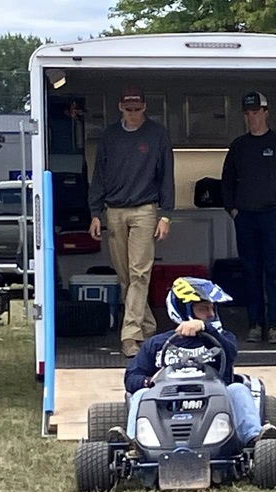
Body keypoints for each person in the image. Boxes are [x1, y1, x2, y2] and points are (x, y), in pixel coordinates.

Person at [118, 277, 276, 447]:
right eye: (203, 309)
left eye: (212, 308)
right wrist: (149, 381)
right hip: (167, 402)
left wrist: (205, 328)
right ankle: (134, 445)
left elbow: (230, 354)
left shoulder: (223, 338)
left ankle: (254, 440)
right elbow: (131, 378)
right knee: (141, 394)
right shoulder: (156, 344)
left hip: (214, 401)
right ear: (183, 309)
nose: (211, 314)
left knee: (238, 389)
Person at [88, 86, 175, 358]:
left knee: (139, 273)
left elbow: (167, 174)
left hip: (145, 209)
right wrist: (95, 212)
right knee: (126, 276)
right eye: (129, 110)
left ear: (145, 108)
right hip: (114, 210)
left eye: (137, 109)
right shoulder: (109, 135)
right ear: (120, 108)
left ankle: (130, 334)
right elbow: (99, 174)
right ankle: (147, 326)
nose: (133, 114)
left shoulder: (157, 134)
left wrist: (166, 214)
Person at [221, 91, 276, 345]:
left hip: (272, 216)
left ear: (266, 113)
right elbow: (226, 181)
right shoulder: (239, 146)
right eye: (248, 113)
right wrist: (233, 210)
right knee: (251, 271)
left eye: (256, 112)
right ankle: (255, 324)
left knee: (275, 270)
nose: (252, 118)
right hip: (245, 217)